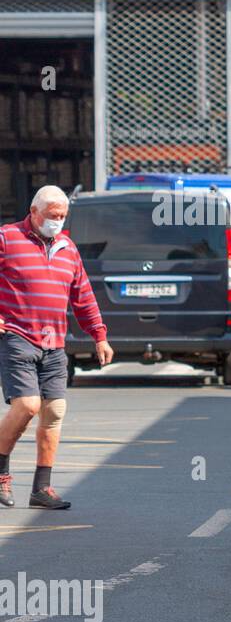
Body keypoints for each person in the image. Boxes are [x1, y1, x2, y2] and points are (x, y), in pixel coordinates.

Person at [0, 185, 113, 510]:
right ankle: (1, 472)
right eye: (52, 216)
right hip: (17, 337)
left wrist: (99, 335)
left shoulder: (67, 247)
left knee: (54, 413)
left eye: (62, 216)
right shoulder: (8, 238)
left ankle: (41, 489)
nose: (57, 222)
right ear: (33, 212)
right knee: (27, 406)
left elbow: (83, 295)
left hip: (54, 343)